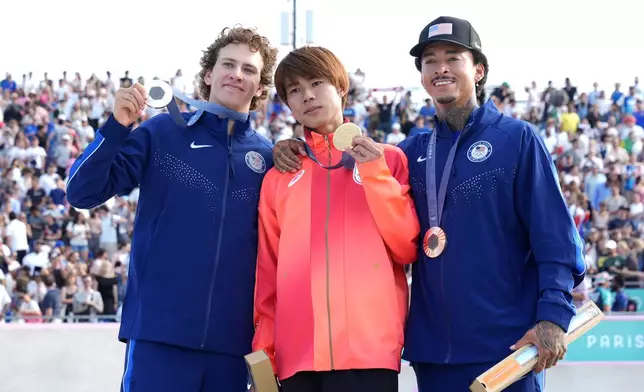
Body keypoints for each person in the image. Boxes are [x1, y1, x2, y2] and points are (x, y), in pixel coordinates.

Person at [271, 16, 586, 392]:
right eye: (429, 61)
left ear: (479, 70)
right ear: (421, 76)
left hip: (507, 346)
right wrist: (293, 148)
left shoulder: (517, 139)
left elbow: (557, 239)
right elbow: (350, 171)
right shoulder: (411, 153)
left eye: (453, 57)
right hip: (434, 353)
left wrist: (552, 316)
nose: (440, 68)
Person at [65, 26, 278, 392]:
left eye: (249, 69)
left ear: (260, 86)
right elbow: (81, 193)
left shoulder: (270, 158)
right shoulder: (162, 132)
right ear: (208, 74)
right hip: (158, 336)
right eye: (228, 64)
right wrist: (117, 127)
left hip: (233, 347)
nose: (236, 74)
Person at [252, 46, 420, 392]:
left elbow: (406, 247)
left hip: (369, 354)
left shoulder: (388, 159)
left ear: (341, 87)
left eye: (316, 82)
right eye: (294, 90)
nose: (307, 96)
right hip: (296, 357)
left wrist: (374, 174)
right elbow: (268, 271)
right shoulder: (279, 175)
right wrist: (263, 350)